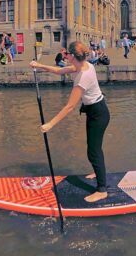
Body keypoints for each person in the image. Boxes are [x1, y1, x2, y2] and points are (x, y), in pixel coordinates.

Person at [30, 41, 110, 203]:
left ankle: (102, 190)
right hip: (96, 111)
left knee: (93, 152)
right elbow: (60, 71)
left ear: (73, 56)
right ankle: (98, 170)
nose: (65, 56)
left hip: (98, 114)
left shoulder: (82, 77)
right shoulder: (83, 65)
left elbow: (69, 107)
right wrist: (39, 66)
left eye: (67, 54)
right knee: (94, 149)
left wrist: (50, 124)